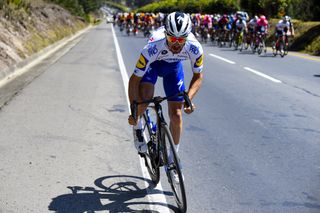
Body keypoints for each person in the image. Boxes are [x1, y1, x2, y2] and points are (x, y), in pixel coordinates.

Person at [127, 12, 204, 160]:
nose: (176, 44)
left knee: (176, 115)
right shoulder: (153, 46)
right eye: (172, 38)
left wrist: (188, 98)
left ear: (187, 37)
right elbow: (134, 80)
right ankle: (138, 129)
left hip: (173, 68)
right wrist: (134, 110)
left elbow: (198, 76)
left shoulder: (195, 47)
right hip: (153, 66)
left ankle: (173, 157)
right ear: (166, 34)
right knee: (144, 102)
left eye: (181, 39)